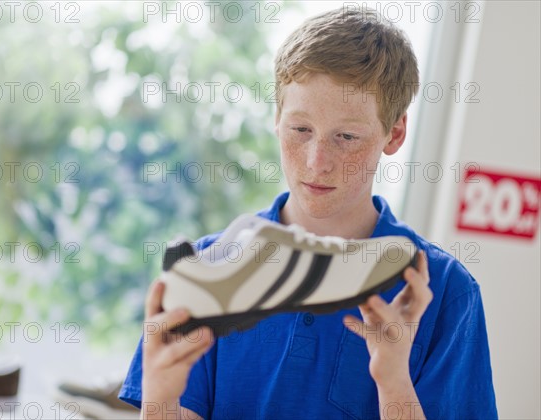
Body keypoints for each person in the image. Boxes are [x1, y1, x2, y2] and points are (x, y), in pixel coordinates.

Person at [120, 8, 497, 419]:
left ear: (395, 133)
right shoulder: (210, 272)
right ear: (277, 118)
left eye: (347, 137)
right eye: (301, 129)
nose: (318, 161)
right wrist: (159, 398)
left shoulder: (443, 291)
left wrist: (393, 383)